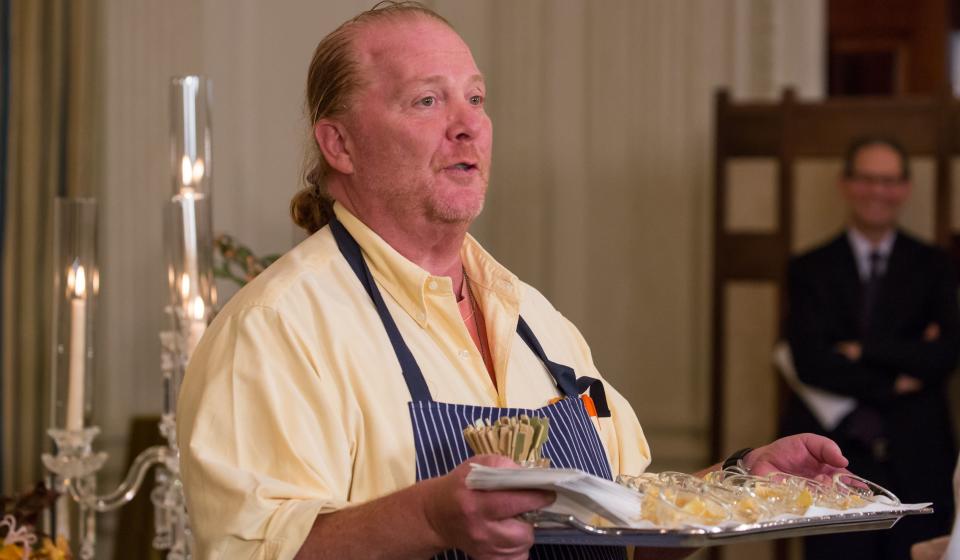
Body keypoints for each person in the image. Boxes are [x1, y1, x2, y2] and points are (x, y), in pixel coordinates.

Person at [178, 3, 850, 559]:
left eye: (475, 97)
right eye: (426, 101)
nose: (467, 124)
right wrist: (430, 518)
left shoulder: (534, 319)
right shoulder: (276, 330)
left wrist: (740, 484)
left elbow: (624, 510)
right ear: (340, 145)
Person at [781, 137, 960, 560]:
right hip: (833, 460)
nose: (876, 191)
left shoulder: (936, 265)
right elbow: (810, 363)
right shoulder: (809, 267)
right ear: (845, 184)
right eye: (865, 179)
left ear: (905, 188)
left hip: (920, 454)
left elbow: (944, 356)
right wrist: (899, 374)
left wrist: (860, 351)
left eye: (889, 180)